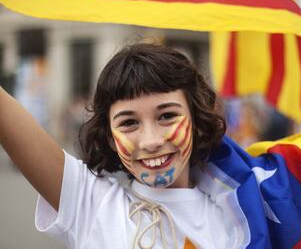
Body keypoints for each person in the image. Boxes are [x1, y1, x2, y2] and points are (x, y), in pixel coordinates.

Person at [0, 44, 251, 248]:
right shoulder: (89, 203)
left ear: (196, 121)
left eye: (167, 116)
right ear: (110, 136)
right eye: (129, 122)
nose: (151, 141)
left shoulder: (242, 216)